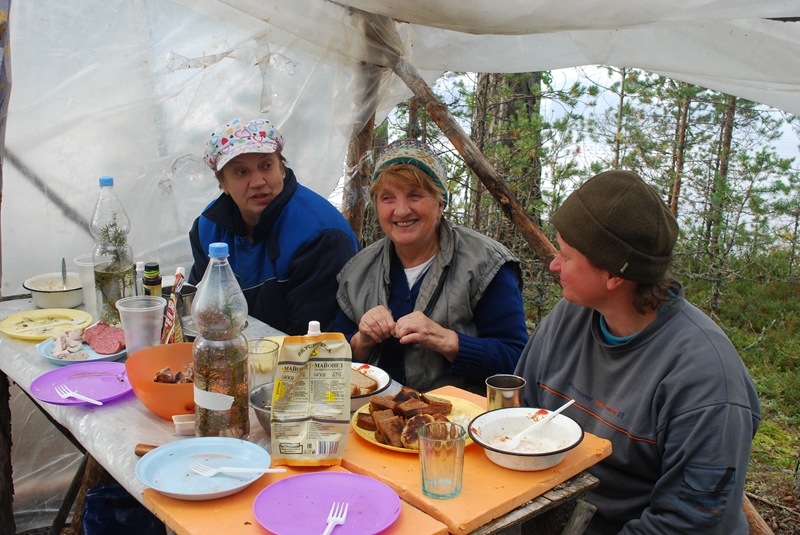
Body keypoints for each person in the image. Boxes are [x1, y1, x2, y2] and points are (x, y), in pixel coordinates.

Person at [515, 170, 761, 534]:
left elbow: (692, 524)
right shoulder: (571, 316)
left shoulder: (705, 379)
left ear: (614, 275)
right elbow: (521, 417)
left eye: (566, 255)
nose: (554, 264)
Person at [335, 139, 528, 394]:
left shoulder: (485, 264)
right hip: (373, 413)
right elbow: (332, 362)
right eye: (387, 198)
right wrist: (361, 342)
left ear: (440, 203)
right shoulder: (357, 272)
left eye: (415, 195)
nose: (401, 210)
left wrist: (449, 341)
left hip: (461, 414)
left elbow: (518, 362)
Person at [189, 117, 359, 335]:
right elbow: (203, 313)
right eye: (241, 172)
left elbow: (310, 341)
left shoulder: (319, 235)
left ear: (282, 168)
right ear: (223, 183)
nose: (258, 182)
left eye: (266, 166)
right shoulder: (208, 229)